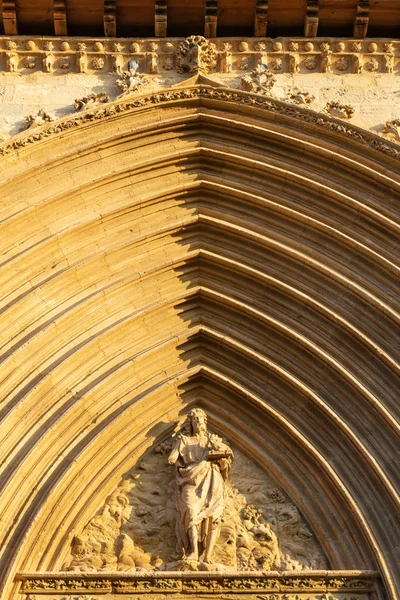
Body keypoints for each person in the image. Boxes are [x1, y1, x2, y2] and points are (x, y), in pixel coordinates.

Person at [168, 409, 233, 563]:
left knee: (213, 516)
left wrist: (219, 453)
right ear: (191, 423)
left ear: (205, 422)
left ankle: (208, 556)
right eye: (195, 420)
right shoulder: (184, 441)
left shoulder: (212, 440)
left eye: (200, 419)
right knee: (190, 512)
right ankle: (194, 553)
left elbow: (227, 454)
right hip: (190, 479)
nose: (198, 422)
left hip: (211, 479)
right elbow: (173, 457)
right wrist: (172, 456)